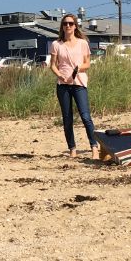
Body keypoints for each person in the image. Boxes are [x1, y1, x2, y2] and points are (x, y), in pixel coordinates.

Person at [50, 15, 98, 159]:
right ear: (62, 26)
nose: (68, 26)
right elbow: (52, 65)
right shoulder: (56, 44)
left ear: (75, 26)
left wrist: (78, 68)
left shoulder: (83, 43)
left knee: (85, 116)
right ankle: (72, 148)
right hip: (63, 85)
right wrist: (59, 75)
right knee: (67, 118)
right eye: (65, 24)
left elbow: (87, 63)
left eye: (71, 23)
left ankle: (94, 147)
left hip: (79, 83)